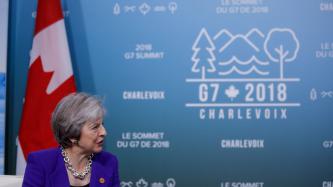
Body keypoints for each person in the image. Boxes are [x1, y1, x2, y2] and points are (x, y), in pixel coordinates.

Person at [22, 92, 120, 187]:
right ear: (72, 134)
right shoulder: (41, 163)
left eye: (102, 125)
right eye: (95, 127)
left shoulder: (109, 162)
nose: (104, 132)